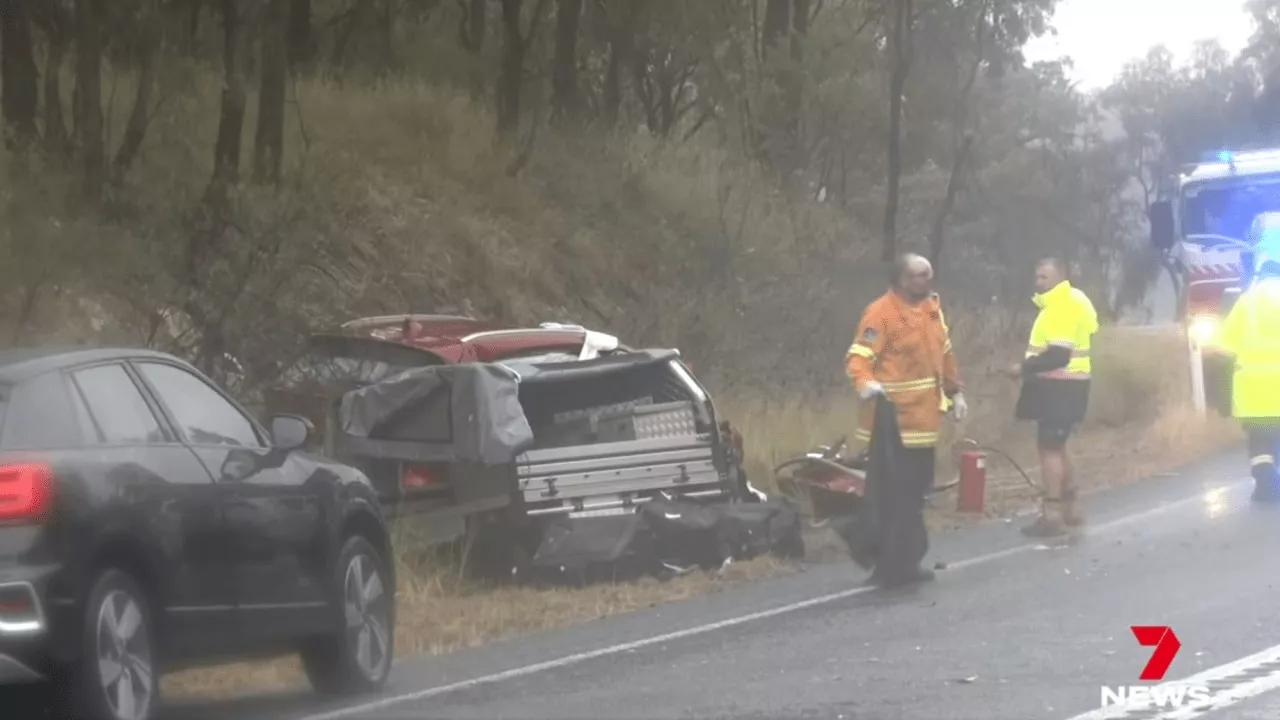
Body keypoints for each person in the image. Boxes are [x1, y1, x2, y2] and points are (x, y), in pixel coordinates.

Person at [846, 253, 967, 586]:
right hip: (893, 423)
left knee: (915, 495)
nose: (927, 279)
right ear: (902, 280)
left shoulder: (932, 310)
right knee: (894, 495)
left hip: (925, 422)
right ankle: (889, 564)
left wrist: (956, 392)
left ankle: (907, 561)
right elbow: (860, 357)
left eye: (928, 273)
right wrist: (865, 383)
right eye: (919, 275)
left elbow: (945, 354)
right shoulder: (881, 314)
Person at [1002, 257, 1098, 537]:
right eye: (1037, 276)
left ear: (1061, 276)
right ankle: (1071, 509)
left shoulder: (1061, 305)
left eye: (1044, 277)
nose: (1038, 282)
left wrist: (1022, 368)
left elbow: (1058, 354)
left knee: (1049, 450)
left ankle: (1053, 514)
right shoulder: (1076, 299)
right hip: (1071, 386)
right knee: (1059, 446)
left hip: (1059, 387)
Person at [1217, 259, 1280, 503]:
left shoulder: (1248, 302)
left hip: (1254, 390)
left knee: (1260, 442)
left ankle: (1266, 486)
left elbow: (1224, 347)